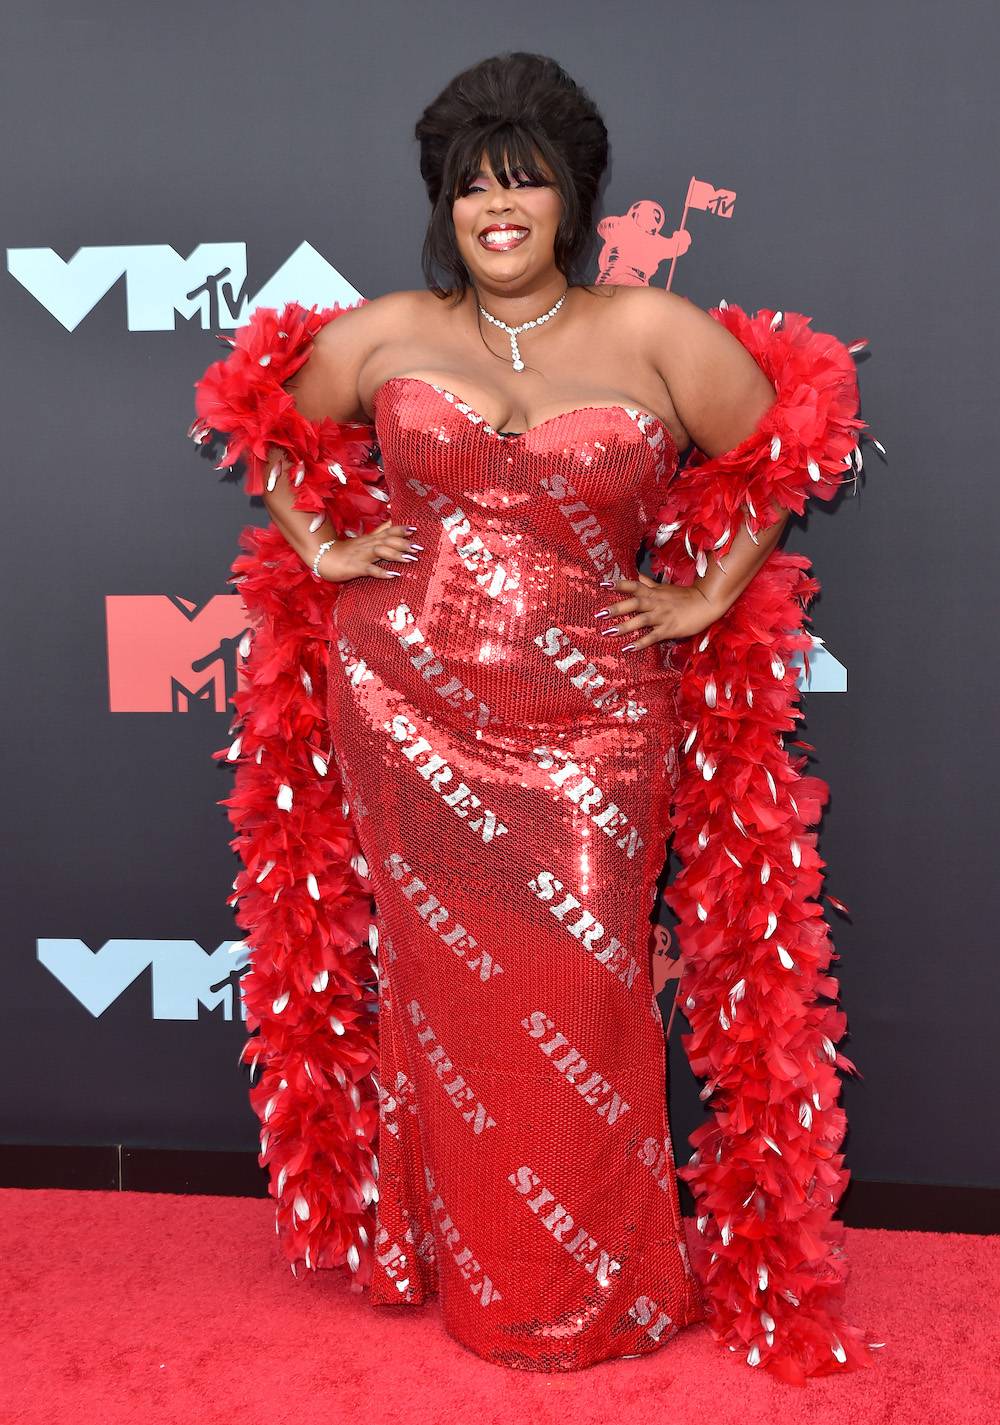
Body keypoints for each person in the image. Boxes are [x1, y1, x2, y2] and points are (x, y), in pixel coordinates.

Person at [190, 50, 881, 1384]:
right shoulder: (391, 329)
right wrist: (320, 546)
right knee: (444, 997)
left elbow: (792, 436)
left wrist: (711, 591)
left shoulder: (650, 334)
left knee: (586, 988)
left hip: (594, 729)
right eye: (470, 188)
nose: (496, 207)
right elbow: (254, 411)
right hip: (404, 707)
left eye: (525, 181)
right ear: (443, 207)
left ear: (572, 195)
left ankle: (592, 1288)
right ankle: (452, 1263)